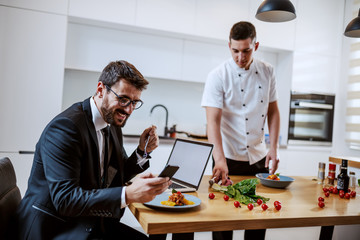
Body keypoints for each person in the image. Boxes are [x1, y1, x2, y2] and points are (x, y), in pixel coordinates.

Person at [15, 60, 171, 240]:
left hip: (88, 222)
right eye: (123, 99)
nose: (129, 109)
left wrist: (142, 152)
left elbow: (116, 173)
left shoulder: (112, 124)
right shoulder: (66, 128)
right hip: (54, 228)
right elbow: (66, 200)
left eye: (135, 102)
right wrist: (128, 194)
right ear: (100, 89)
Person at [201, 21, 281, 240]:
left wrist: (273, 148)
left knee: (257, 220)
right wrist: (219, 159)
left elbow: (273, 112)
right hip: (226, 157)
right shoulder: (218, 76)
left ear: (255, 46)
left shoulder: (267, 71)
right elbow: (213, 122)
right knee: (223, 221)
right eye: (235, 51)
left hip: (258, 157)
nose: (240, 57)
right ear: (229, 46)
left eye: (246, 51)